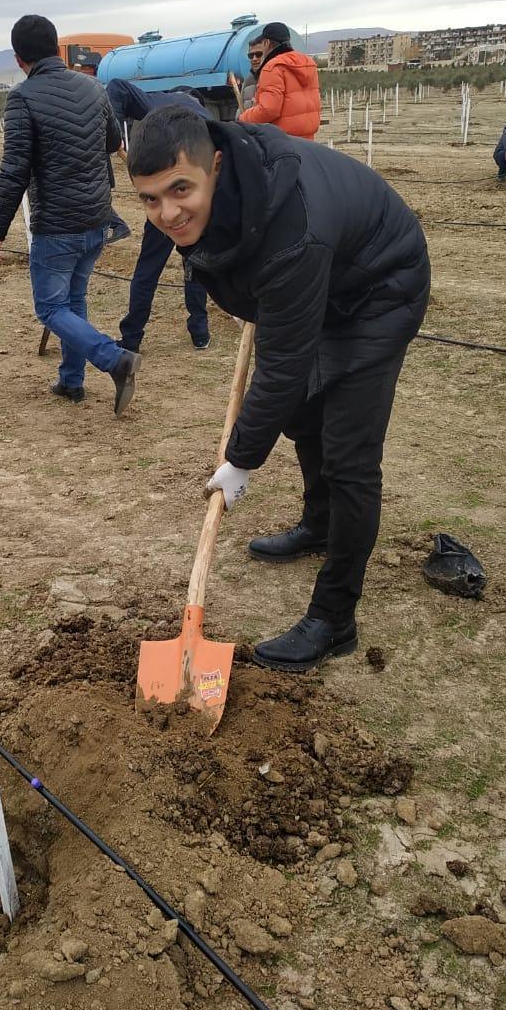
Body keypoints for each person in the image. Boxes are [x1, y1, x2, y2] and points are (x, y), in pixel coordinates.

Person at [127, 107, 430, 671]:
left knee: (349, 457)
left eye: (179, 190)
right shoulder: (219, 193)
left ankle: (335, 617)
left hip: (378, 290)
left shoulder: (292, 228)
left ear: (215, 165)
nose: (166, 212)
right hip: (322, 280)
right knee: (303, 418)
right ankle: (320, 524)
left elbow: (284, 366)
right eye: (148, 198)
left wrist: (240, 460)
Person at [0, 14, 140, 415]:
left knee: (51, 309)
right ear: (57, 50)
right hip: (96, 217)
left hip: (57, 224)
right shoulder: (92, 86)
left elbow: (15, 168)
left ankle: (114, 359)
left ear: (19, 59)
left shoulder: (22, 98)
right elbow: (110, 141)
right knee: (73, 300)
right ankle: (72, 382)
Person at [105, 78, 211, 352]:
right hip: (195, 202)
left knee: (148, 268)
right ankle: (200, 332)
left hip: (164, 201)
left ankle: (131, 339)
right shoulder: (207, 120)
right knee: (196, 264)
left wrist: (110, 139)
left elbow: (117, 86)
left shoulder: (159, 104)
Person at [237, 22, 321, 139]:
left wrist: (243, 118)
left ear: (266, 43)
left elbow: (268, 110)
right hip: (307, 139)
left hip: (283, 141)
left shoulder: (273, 67)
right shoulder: (308, 63)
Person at [241, 38, 264, 111]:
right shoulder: (248, 81)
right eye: (251, 55)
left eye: (258, 54)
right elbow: (241, 109)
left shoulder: (273, 78)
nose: (254, 59)